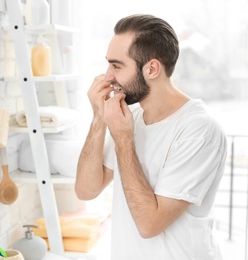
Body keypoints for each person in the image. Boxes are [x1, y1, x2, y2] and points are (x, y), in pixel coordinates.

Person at [75, 14, 227, 259]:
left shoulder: (199, 131)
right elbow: (86, 190)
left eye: (116, 65)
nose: (107, 77)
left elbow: (149, 225)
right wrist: (98, 119)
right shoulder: (129, 118)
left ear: (152, 69)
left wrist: (124, 139)